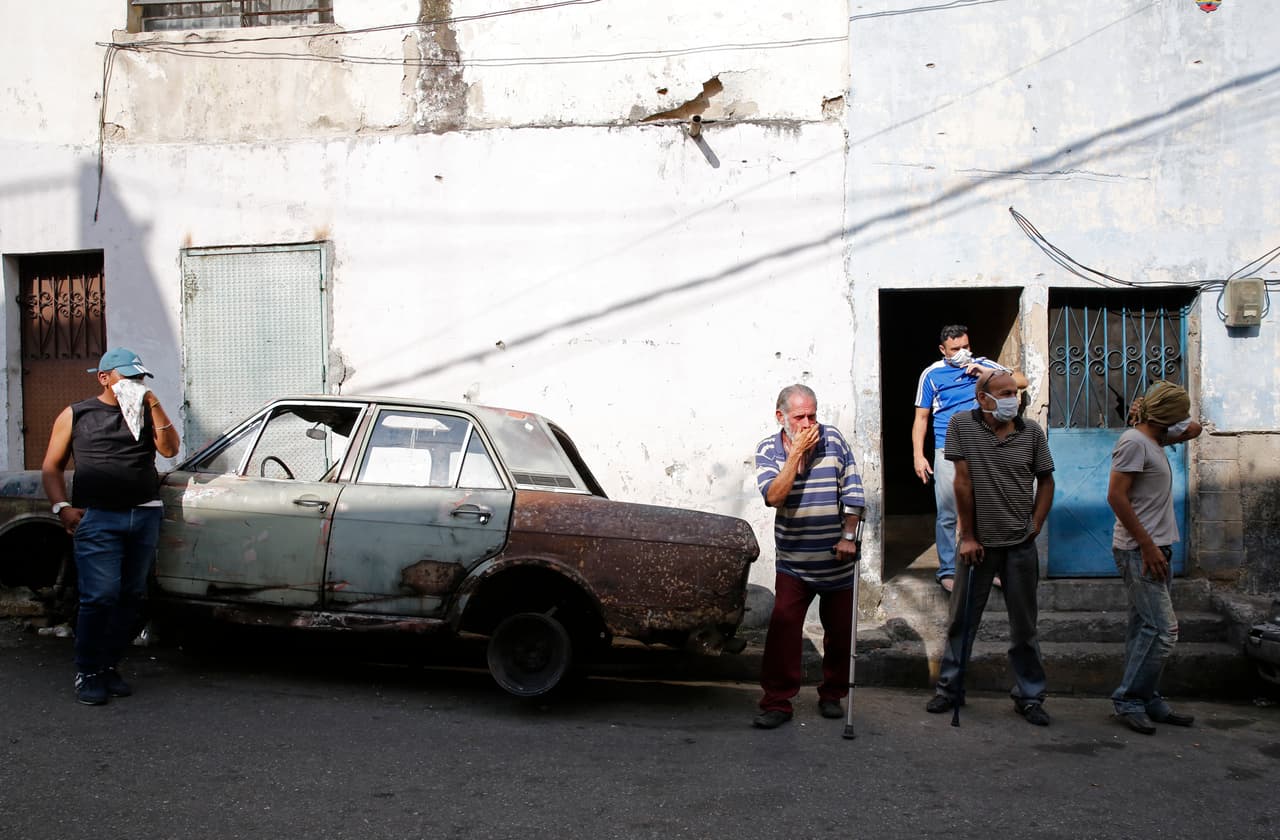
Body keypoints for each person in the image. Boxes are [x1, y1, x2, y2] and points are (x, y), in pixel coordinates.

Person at [41, 347, 180, 705]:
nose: (134, 383)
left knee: (131, 597)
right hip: (99, 518)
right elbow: (52, 466)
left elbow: (169, 450)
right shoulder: (77, 414)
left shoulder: (146, 413)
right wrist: (62, 508)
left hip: (144, 514)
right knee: (99, 596)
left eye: (139, 377)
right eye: (127, 377)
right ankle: (87, 671)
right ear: (104, 377)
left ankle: (108, 666)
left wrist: (152, 403)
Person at [925, 370, 1055, 726]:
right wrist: (967, 536)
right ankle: (949, 689)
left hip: (1019, 545)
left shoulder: (1032, 433)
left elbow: (1046, 481)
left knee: (1025, 626)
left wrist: (1037, 523)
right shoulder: (961, 425)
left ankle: (1029, 696)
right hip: (978, 545)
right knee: (962, 621)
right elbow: (962, 483)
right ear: (983, 398)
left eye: (1015, 391)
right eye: (1005, 392)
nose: (1014, 397)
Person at [752, 384, 866, 729]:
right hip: (794, 561)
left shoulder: (833, 439)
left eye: (812, 415)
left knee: (840, 633)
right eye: (800, 416)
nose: (808, 423)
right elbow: (774, 497)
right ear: (781, 417)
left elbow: (854, 491)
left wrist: (849, 536)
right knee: (783, 633)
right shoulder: (768, 451)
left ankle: (832, 694)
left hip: (836, 558)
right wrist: (795, 455)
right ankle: (777, 701)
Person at [1106, 381, 1203, 734]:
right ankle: (1129, 698)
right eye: (1178, 412)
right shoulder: (1134, 442)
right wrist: (1146, 545)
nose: (1185, 420)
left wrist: (1153, 411)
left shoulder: (1153, 438)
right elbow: (1117, 497)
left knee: (1144, 627)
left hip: (1156, 547)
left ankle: (1148, 697)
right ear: (1166, 417)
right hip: (1139, 550)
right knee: (1165, 630)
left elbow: (1194, 428)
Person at [913, 325, 1027, 592]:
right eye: (956, 349)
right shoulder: (932, 374)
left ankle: (989, 567)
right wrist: (918, 455)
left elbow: (1020, 381)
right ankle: (948, 571)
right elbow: (921, 417)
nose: (963, 352)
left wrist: (985, 373)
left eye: (965, 346)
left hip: (985, 448)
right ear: (943, 350)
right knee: (948, 513)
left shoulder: (983, 365)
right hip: (948, 449)